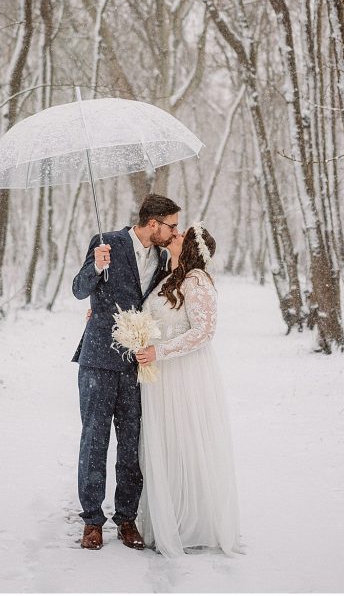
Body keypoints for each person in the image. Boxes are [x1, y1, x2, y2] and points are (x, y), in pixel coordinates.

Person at [71, 193, 181, 550]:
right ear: (153, 224)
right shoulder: (106, 243)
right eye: (172, 225)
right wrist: (96, 267)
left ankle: (127, 518)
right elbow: (78, 290)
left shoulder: (163, 257)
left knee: (132, 445)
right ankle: (91, 521)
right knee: (95, 441)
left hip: (137, 365)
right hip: (98, 361)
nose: (174, 231)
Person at [133, 223, 241, 557]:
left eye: (180, 235)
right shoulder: (169, 277)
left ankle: (189, 521)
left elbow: (203, 332)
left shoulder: (197, 282)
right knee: (163, 443)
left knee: (184, 441)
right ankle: (165, 516)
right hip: (159, 377)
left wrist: (160, 351)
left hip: (183, 375)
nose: (173, 236)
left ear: (192, 247)